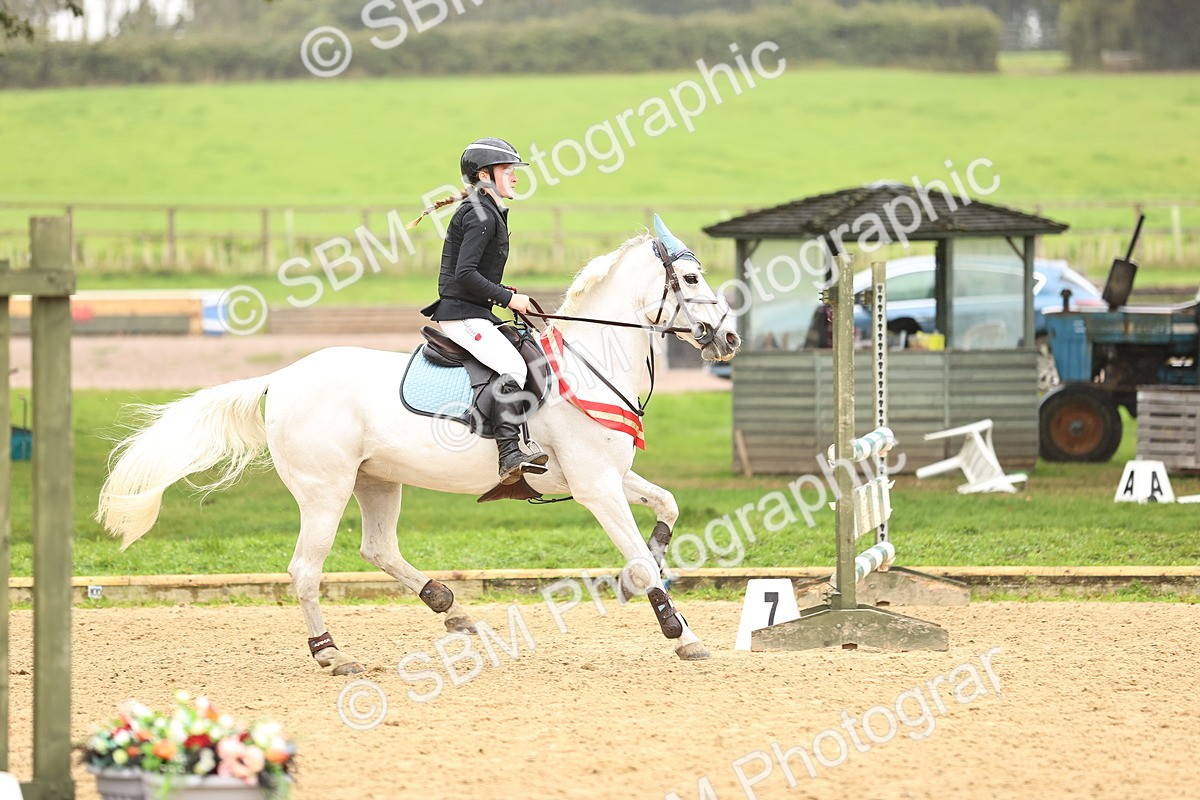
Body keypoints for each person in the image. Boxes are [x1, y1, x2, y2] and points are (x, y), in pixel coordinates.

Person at [419, 137, 548, 485]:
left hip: (473, 310)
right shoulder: (481, 215)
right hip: (461, 314)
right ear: (484, 175)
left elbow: (474, 274)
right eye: (507, 170)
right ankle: (509, 455)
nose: (515, 177)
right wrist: (507, 299)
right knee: (513, 367)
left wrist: (502, 291)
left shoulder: (486, 210)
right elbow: (464, 274)